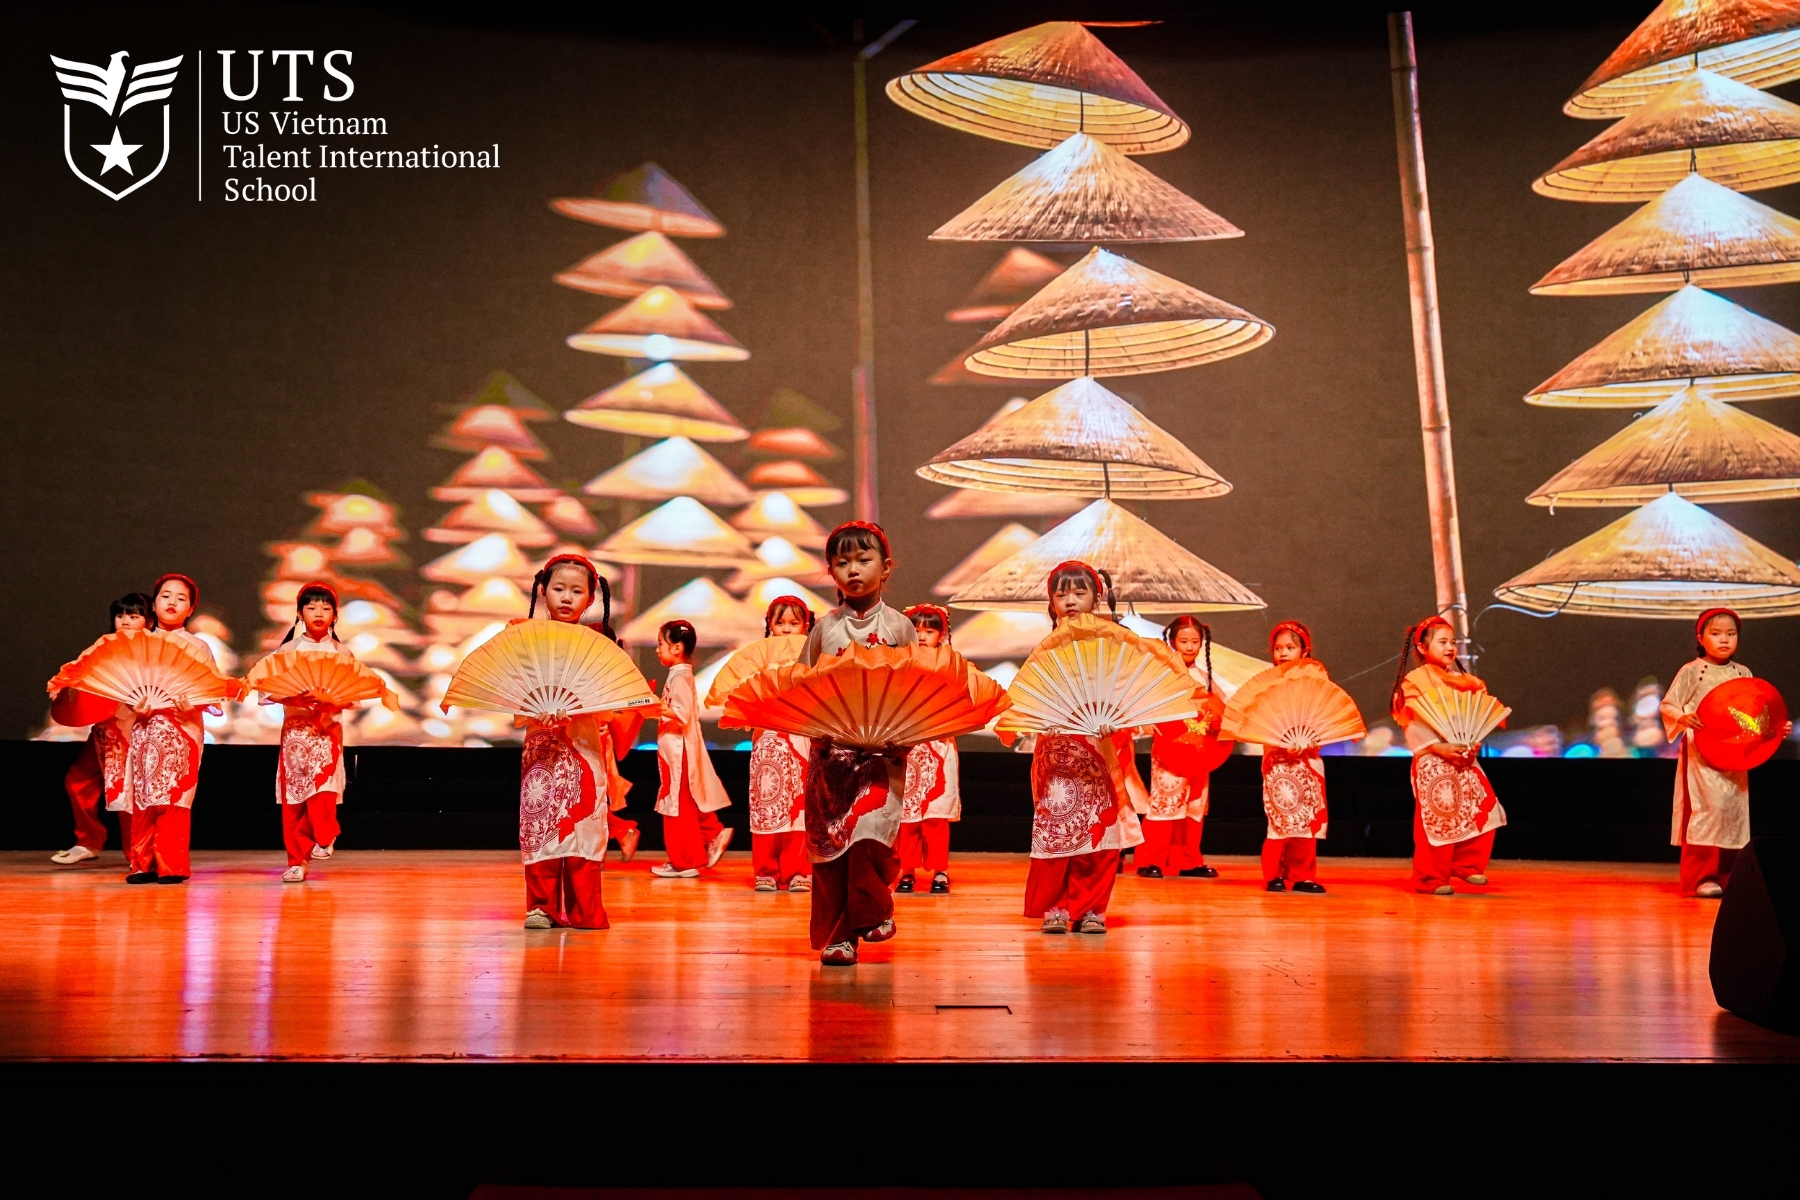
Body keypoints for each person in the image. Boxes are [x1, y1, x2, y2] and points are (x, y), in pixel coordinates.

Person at [802, 521, 916, 966]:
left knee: (868, 834)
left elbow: (916, 690)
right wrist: (818, 731)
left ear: (885, 568)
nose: (853, 569)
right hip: (832, 754)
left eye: (863, 560)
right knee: (833, 847)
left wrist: (903, 739)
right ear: (830, 571)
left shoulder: (901, 628)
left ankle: (874, 908)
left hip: (882, 755)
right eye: (842, 561)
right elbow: (802, 688)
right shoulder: (823, 630)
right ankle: (840, 937)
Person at [517, 555, 638, 929]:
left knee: (585, 822)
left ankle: (585, 909)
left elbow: (613, 698)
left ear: (590, 598)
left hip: (584, 742)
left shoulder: (601, 642)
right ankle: (541, 907)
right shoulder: (524, 638)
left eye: (576, 591)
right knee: (542, 821)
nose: (566, 598)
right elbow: (514, 690)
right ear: (542, 591)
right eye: (558, 589)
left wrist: (579, 708)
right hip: (541, 743)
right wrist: (535, 708)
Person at [1022, 562, 1144, 934]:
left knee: (1099, 828)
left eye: (1079, 593)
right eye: (1062, 595)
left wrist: (1116, 717)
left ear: (1097, 597)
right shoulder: (1045, 649)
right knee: (1058, 827)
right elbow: (1032, 695)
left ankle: (1092, 908)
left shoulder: (1112, 644)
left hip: (1100, 742)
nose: (1071, 601)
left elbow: (1126, 691)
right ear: (1052, 602)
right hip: (1057, 747)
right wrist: (1043, 718)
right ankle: (1056, 907)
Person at [1661, 608, 1789, 898]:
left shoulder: (1743, 673)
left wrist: (1775, 727)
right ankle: (1701, 878)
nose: (1724, 640)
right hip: (1701, 754)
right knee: (1709, 809)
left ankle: (1730, 877)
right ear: (1701, 638)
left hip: (1735, 754)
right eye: (1716, 633)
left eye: (1731, 634)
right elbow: (1669, 704)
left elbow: (1755, 714)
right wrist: (1683, 717)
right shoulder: (1692, 671)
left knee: (1733, 812)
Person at [1390, 615, 1506, 895]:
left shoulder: (1465, 681)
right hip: (1433, 757)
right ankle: (1429, 878)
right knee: (1438, 817)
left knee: (1484, 806)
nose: (1450, 647)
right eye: (1442, 642)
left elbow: (1474, 718)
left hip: (1462, 756)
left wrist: (1473, 741)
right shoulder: (1416, 682)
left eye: (1452, 642)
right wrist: (1437, 747)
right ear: (1422, 647)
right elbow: (1413, 725)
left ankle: (1465, 864)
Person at [124, 574, 216, 885]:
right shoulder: (137, 643)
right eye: (165, 596)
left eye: (181, 598)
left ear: (190, 609)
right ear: (154, 604)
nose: (172, 602)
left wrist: (194, 706)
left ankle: (171, 865)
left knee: (174, 798)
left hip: (183, 728)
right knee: (144, 796)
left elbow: (212, 692)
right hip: (146, 727)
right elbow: (124, 686)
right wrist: (134, 705)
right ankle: (142, 865)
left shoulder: (199, 647)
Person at [49, 593, 152, 865]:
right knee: (77, 781)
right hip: (104, 729)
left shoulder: (154, 650)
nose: (125, 621)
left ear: (149, 621)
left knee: (126, 793)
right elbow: (78, 671)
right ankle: (88, 841)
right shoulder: (103, 646)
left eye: (134, 616)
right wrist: (61, 685)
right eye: (120, 616)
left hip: (134, 730)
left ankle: (137, 854)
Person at [268, 583, 354, 882]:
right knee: (294, 801)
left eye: (326, 608)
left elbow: (354, 695)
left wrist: (330, 700)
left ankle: (326, 834)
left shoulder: (341, 652)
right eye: (311, 607)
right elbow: (267, 691)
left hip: (326, 732)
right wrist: (294, 698)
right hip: (295, 733)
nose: (319, 613)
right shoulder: (287, 651)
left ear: (334, 615)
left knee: (322, 792)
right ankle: (297, 861)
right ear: (299, 613)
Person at [1137, 615, 1220, 880]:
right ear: (1173, 642)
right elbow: (1145, 708)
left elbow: (1218, 711)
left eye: (1195, 641)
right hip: (1169, 749)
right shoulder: (1163, 674)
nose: (1189, 647)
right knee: (1165, 802)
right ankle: (1151, 860)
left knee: (1194, 806)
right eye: (1184, 641)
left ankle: (1188, 860)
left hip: (1198, 750)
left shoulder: (1205, 678)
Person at [652, 619, 732, 879]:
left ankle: (685, 861)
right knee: (683, 801)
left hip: (679, 749)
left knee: (676, 805)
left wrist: (655, 705)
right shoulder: (680, 674)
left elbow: (682, 713)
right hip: (675, 748)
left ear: (677, 648)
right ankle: (709, 835)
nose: (657, 649)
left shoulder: (680, 677)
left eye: (661, 644)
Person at [748, 596, 813, 893]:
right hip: (768, 736)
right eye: (780, 623)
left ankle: (799, 870)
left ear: (806, 625)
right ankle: (766, 870)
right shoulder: (757, 660)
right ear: (770, 625)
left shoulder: (813, 658)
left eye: (794, 623)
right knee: (767, 803)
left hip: (801, 735)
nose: (786, 629)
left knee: (799, 805)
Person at [897, 604, 961, 895]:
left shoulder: (952, 667)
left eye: (929, 630)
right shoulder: (898, 665)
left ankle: (940, 871)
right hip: (908, 747)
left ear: (942, 634)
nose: (922, 636)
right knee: (906, 816)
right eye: (916, 629)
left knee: (936, 815)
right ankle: (906, 870)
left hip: (939, 744)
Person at [1261, 620, 1328, 895]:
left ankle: (1302, 875)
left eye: (1290, 647)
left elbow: (1325, 719)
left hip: (1308, 758)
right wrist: (1281, 745)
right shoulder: (1266, 684)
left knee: (1306, 820)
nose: (1283, 653)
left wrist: (1310, 740)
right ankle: (1274, 874)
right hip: (1277, 759)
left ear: (1305, 650)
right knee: (1280, 821)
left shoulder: (1317, 683)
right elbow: (1262, 723)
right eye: (1278, 648)